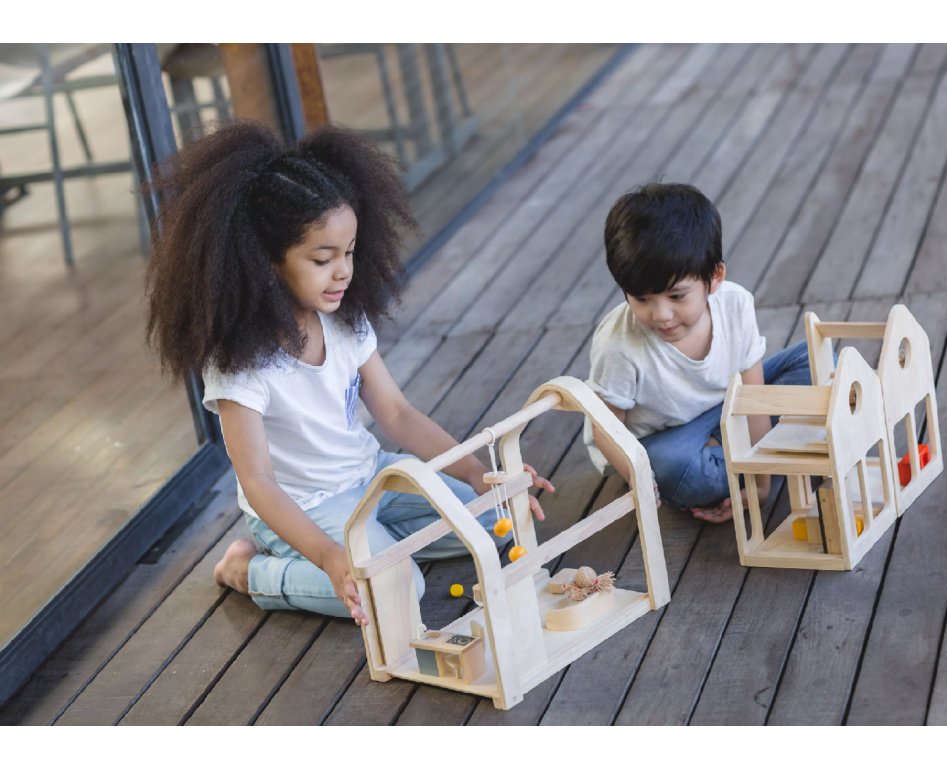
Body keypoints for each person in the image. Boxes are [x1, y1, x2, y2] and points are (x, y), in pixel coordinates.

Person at [144, 121, 553, 625]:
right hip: (303, 507)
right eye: (323, 258)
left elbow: (398, 414)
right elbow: (259, 482)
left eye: (350, 252)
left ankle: (377, 549)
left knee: (499, 518)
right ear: (266, 262)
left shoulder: (342, 320)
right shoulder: (240, 366)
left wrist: (475, 472)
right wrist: (327, 555)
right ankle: (250, 570)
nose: (343, 271)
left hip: (371, 475)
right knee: (397, 590)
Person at [584, 183, 810, 524]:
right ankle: (770, 449)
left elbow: (753, 396)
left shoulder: (735, 303)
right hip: (666, 440)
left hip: (729, 406)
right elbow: (605, 429)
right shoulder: (618, 342)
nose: (661, 315)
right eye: (642, 299)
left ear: (714, 277)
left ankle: (731, 453)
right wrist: (638, 480)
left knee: (816, 363)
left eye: (677, 296)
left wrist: (761, 485)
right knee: (675, 468)